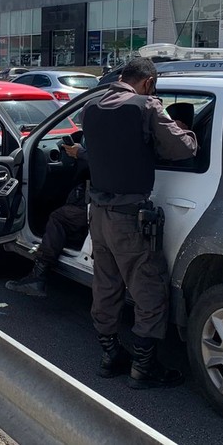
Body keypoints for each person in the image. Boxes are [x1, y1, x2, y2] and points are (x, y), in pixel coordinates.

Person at [79, 57, 197, 388]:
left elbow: (100, 150)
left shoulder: (90, 107)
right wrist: (185, 128)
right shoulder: (146, 106)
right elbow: (183, 148)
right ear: (148, 83)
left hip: (98, 216)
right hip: (130, 219)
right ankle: (143, 367)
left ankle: (109, 355)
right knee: (149, 290)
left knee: (106, 286)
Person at [5, 152, 89, 298]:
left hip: (99, 205)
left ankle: (39, 274)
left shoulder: (104, 146)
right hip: (113, 204)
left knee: (59, 218)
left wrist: (79, 153)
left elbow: (97, 159)